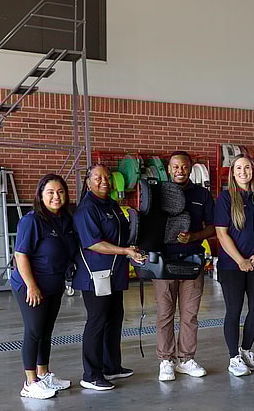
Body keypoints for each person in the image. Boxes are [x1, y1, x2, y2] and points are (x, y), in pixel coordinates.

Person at [73, 164, 145, 391]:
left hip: (114, 274)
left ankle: (111, 366)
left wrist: (131, 247)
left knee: (114, 318)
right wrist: (125, 251)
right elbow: (93, 243)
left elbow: (120, 236)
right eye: (98, 178)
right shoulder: (87, 209)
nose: (104, 181)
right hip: (96, 275)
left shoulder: (111, 205)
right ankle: (92, 374)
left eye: (107, 177)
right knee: (97, 321)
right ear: (88, 182)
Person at [11, 174, 77, 399]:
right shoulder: (32, 221)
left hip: (53, 285)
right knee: (34, 330)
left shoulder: (65, 219)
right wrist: (31, 285)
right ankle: (29, 383)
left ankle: (44, 374)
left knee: (46, 331)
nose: (56, 197)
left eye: (60, 192)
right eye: (50, 192)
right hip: (31, 286)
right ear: (41, 195)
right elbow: (21, 255)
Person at [155, 151, 214, 381]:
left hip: (192, 262)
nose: (180, 171)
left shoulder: (202, 195)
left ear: (190, 169)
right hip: (164, 263)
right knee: (165, 314)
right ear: (169, 169)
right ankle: (166, 361)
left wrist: (195, 236)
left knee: (190, 315)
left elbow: (213, 227)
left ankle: (186, 359)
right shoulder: (158, 194)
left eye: (184, 167)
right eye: (175, 167)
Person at [214, 154, 254, 377]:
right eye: (238, 168)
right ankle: (233, 358)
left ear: (252, 171)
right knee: (234, 310)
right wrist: (240, 260)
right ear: (232, 173)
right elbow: (221, 233)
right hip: (231, 266)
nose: (243, 172)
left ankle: (245, 351)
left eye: (247, 167)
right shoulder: (226, 198)